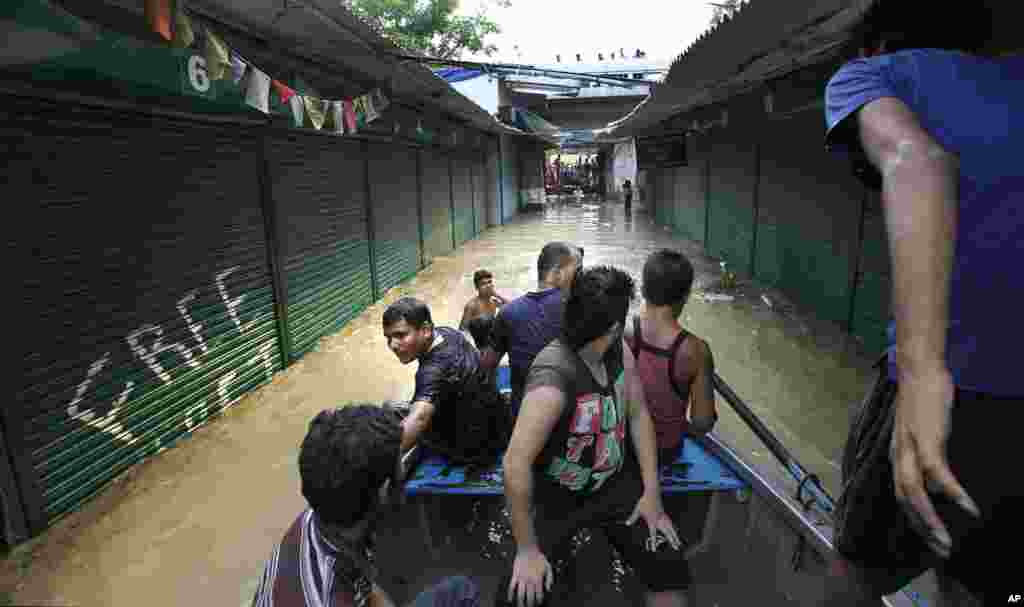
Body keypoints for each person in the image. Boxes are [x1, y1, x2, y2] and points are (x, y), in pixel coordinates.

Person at [822, 1, 1021, 604]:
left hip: (954, 396)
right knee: (980, 582)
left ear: (877, 42)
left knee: (853, 574)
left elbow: (918, 160)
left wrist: (922, 370)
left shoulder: (872, 73)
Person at [500, 266, 693, 607]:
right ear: (616, 326)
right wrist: (527, 550)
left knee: (668, 564)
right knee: (519, 598)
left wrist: (651, 494)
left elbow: (637, 414)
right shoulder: (553, 378)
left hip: (614, 484)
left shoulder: (619, 351)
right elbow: (515, 463)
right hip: (557, 498)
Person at [251, 405, 482, 607]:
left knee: (458, 589)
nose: (403, 482)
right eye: (400, 473)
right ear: (383, 492)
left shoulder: (322, 513)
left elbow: (364, 582)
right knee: (464, 592)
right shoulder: (328, 596)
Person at [382, 297, 509, 464]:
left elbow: (419, 417)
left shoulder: (432, 371)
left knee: (389, 409)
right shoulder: (448, 333)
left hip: (470, 450)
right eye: (388, 337)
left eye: (400, 335)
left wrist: (380, 465)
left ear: (426, 330)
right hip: (496, 430)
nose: (393, 345)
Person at [623, 249, 717, 464]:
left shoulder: (622, 329)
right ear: (685, 295)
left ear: (643, 289)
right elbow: (702, 422)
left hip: (622, 446)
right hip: (664, 452)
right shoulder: (696, 351)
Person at [480, 242, 583, 417]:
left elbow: (487, 367)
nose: (582, 277)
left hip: (522, 414)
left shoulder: (508, 312)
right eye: (578, 271)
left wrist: (496, 399)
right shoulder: (578, 308)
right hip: (568, 417)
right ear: (557, 274)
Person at [459, 269, 508, 340]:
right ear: (477, 288)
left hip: (493, 341)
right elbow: (462, 331)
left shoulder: (494, 301)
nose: (488, 286)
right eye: (483, 284)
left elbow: (513, 308)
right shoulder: (472, 305)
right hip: (478, 345)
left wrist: (496, 295)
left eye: (489, 282)